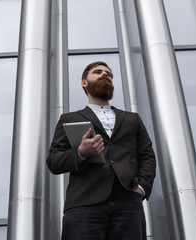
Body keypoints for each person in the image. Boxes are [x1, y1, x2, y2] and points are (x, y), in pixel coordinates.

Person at [47, 61, 156, 240]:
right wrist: (81, 152)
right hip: (83, 203)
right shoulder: (69, 118)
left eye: (108, 74)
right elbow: (54, 161)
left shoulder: (132, 119)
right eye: (98, 72)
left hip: (128, 202)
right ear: (84, 82)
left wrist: (143, 188)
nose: (105, 74)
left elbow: (147, 156)